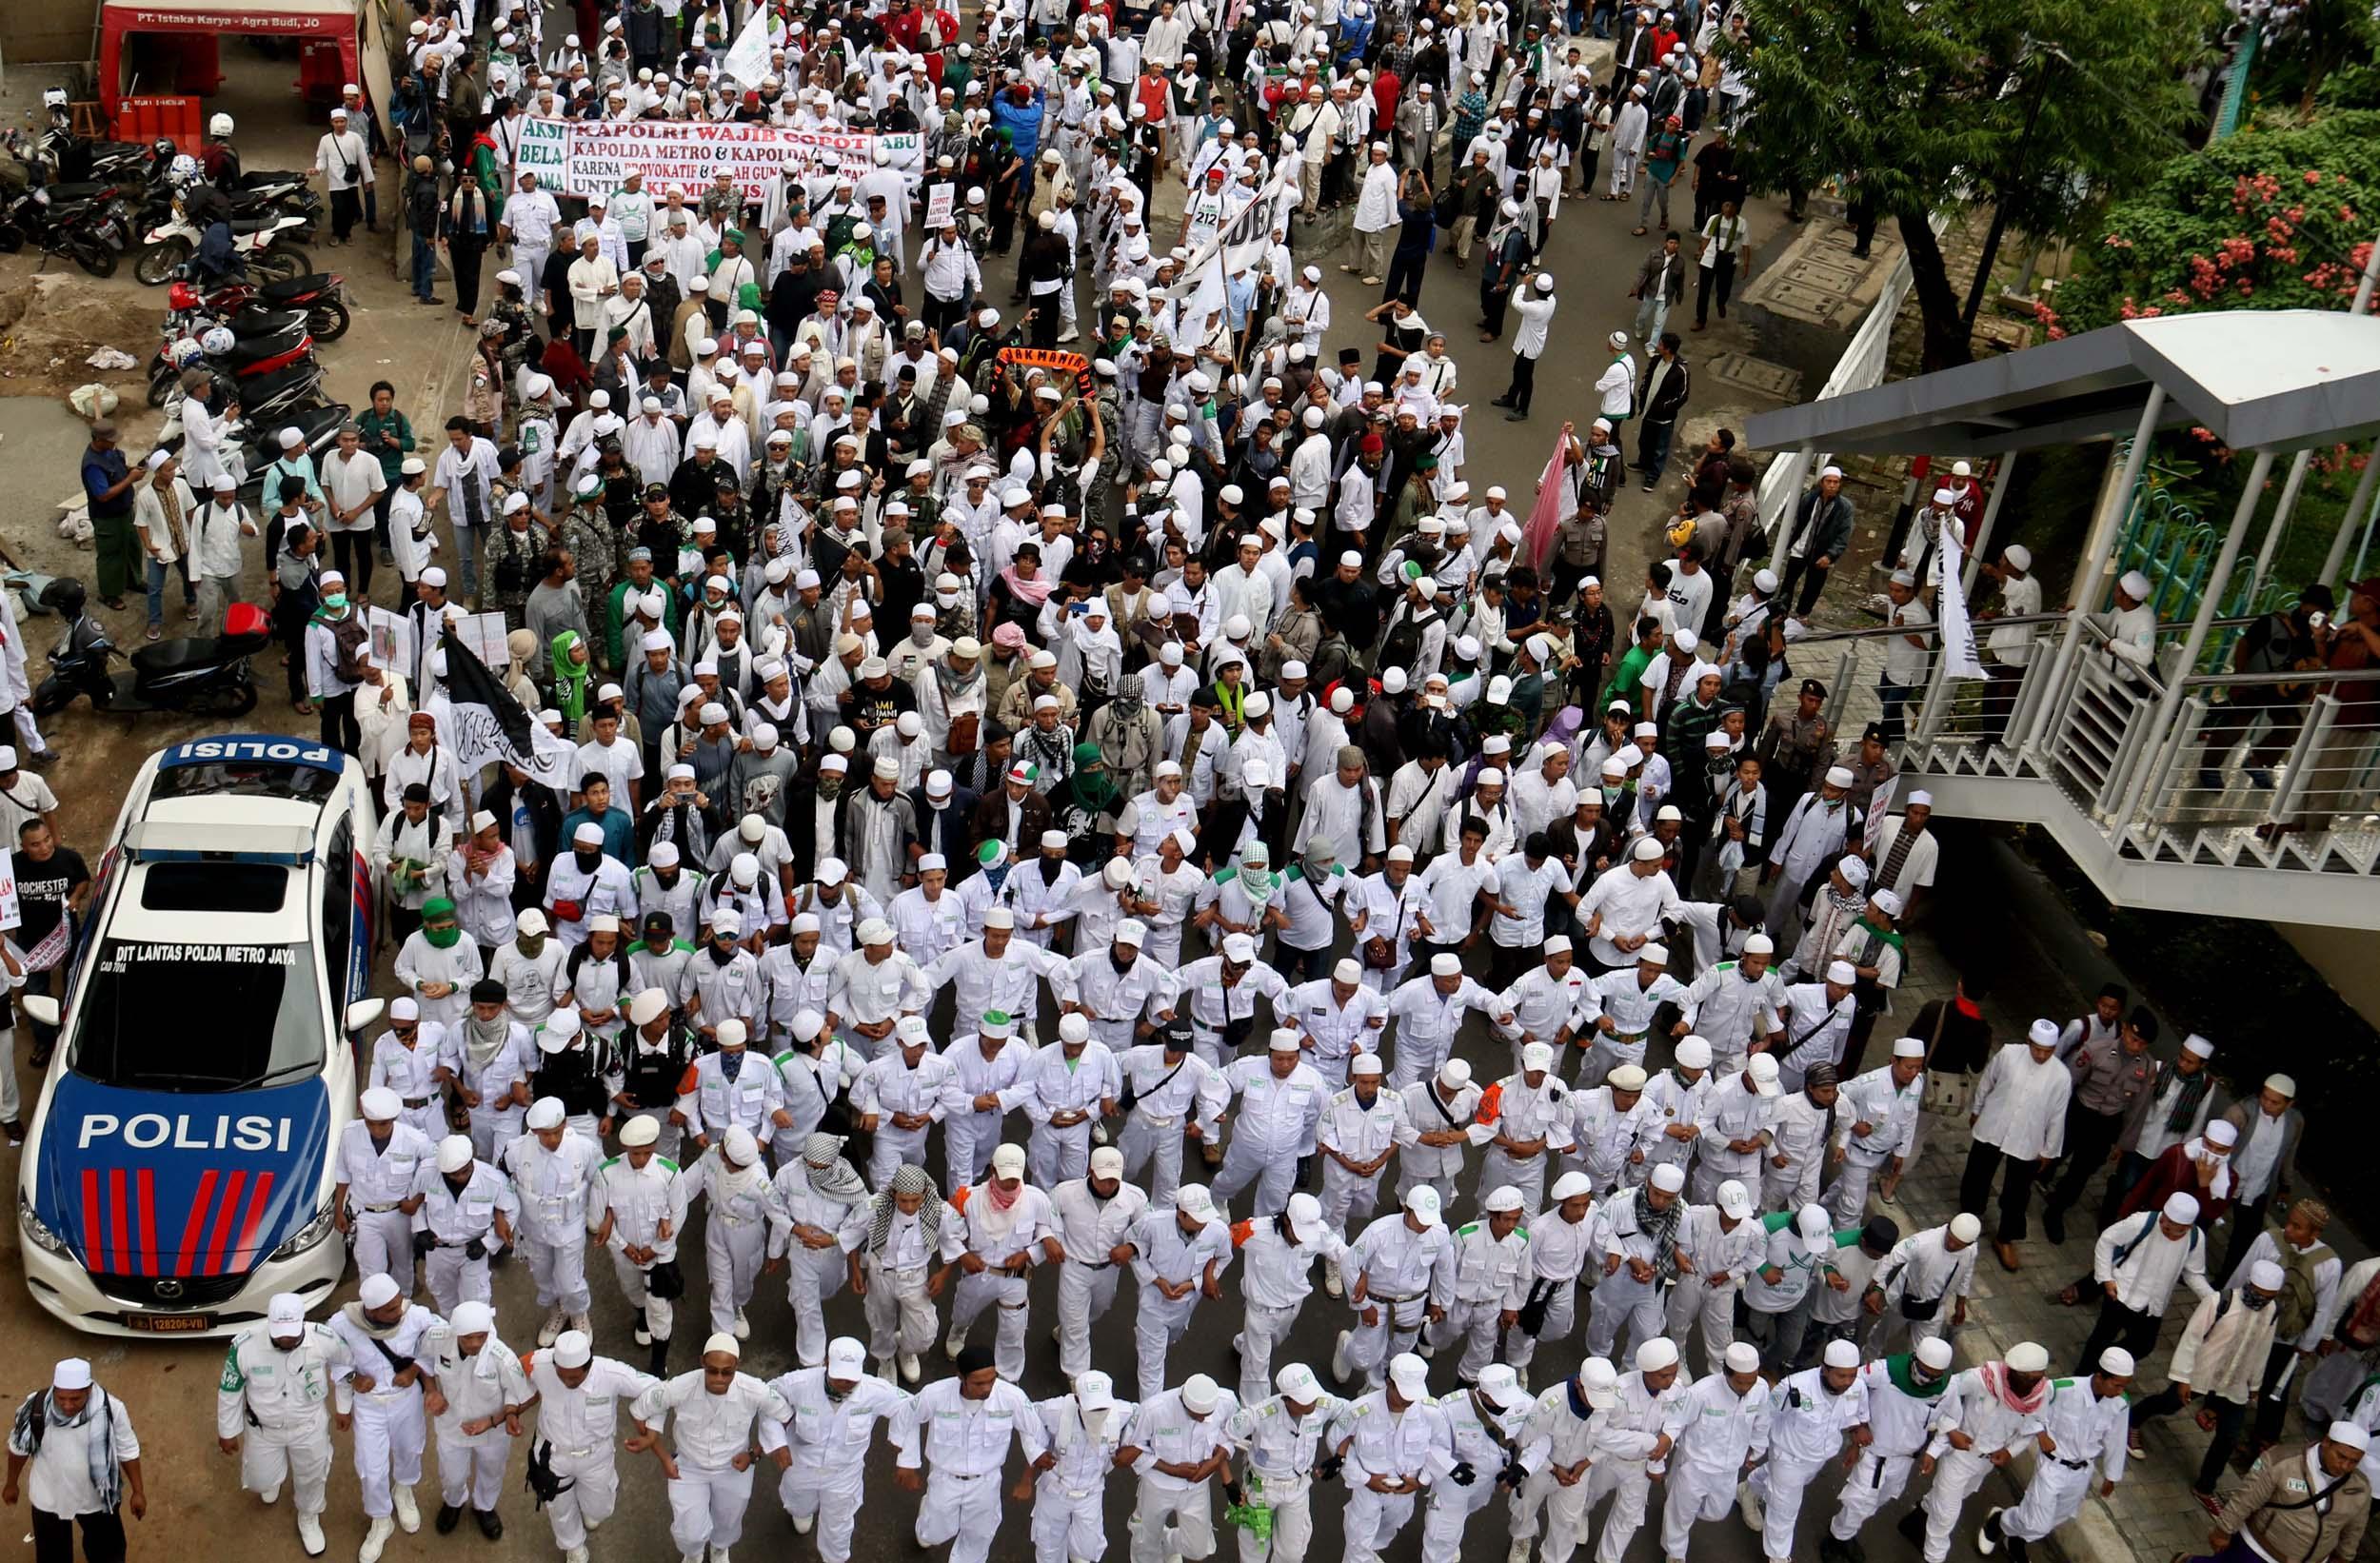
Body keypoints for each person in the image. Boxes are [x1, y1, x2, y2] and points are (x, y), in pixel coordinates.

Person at [625, 1333, 794, 1563]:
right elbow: (639, 1411)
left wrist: (754, 1454)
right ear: (702, 1362)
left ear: (737, 1366)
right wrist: (663, 1456)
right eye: (712, 1370)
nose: (719, 1378)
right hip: (688, 1467)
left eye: (727, 1372)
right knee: (689, 1531)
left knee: (729, 1520)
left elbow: (784, 1416)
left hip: (733, 1467)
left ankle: (719, 1549)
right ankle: (693, 1553)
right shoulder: (680, 1386)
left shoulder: (755, 1390)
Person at [889, 1344, 1049, 1563]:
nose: (987, 1388)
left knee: (980, 1536)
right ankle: (927, 1517)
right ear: (960, 1377)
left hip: (986, 1482)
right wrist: (907, 1462)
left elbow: (1034, 1433)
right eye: (979, 1383)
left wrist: (1027, 1479)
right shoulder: (935, 1394)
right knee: (934, 1534)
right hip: (945, 1479)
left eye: (991, 1380)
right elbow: (906, 1418)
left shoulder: (1012, 1397)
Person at [327, 1272, 444, 1563]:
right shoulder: (342, 1324)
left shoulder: (415, 1315)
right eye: (390, 1309)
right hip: (369, 1406)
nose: (399, 1311)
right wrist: (352, 1380)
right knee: (371, 1467)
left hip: (407, 1401)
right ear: (372, 1311)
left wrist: (415, 1370)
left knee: (410, 1450)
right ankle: (381, 1519)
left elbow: (441, 1339)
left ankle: (403, 1490)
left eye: (399, 1303)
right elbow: (332, 1356)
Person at [1978, 1347, 2134, 1563]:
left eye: (2124, 1386)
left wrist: (2111, 1476)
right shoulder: (2062, 1389)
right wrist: (2041, 1434)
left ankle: (2015, 1541)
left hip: (2082, 1470)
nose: (2120, 1391)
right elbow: (2032, 1410)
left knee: (2060, 1515)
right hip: (2052, 1466)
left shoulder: (2120, 1403)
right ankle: (1999, 1521)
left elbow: (2116, 1439)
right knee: (2037, 1523)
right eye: (2117, 1385)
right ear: (2100, 1377)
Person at [766, 1335, 910, 1563]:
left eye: (851, 1377)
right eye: (839, 1375)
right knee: (798, 1505)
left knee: (839, 1530)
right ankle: (802, 1511)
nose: (845, 1382)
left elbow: (913, 1407)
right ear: (826, 1363)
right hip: (801, 1465)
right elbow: (767, 1396)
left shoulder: (876, 1390)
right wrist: (776, 1442)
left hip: (844, 1474)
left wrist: (901, 1443)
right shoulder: (800, 1383)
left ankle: (834, 1559)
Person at [523, 1329, 660, 1563]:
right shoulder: (542, 1363)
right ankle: (574, 1547)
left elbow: (657, 1389)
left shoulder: (611, 1373)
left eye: (575, 1378)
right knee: (559, 1508)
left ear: (589, 1366)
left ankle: (588, 1507)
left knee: (600, 1509)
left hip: (596, 1456)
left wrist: (651, 1428)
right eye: (562, 1375)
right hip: (554, 1455)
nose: (568, 1382)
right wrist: (511, 1406)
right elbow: (516, 1367)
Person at [5, 1358, 143, 1563]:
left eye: (75, 1399)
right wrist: (11, 1484)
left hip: (97, 1498)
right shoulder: (36, 1407)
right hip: (49, 1496)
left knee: (107, 1554)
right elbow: (18, 1448)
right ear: (55, 1390)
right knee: (53, 1556)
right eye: (61, 1398)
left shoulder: (112, 1408)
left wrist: (138, 1492)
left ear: (89, 1390)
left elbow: (128, 1450)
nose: (67, 1405)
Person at [1959, 1019, 2072, 1271]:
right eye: (2037, 1049)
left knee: (2018, 1192)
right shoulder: (2009, 1054)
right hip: (1994, 1125)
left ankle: (2005, 1238)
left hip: (2028, 1138)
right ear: (2028, 1041)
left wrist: (2049, 1150)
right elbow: (1987, 1081)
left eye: (2047, 1051)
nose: (2041, 1055)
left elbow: (2057, 1115)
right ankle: (1968, 1219)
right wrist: (1977, 1109)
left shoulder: (2061, 1076)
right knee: (1977, 1174)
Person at [1743, 1337, 1868, 1563]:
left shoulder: (1857, 1387)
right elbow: (1767, 1416)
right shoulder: (1793, 1387)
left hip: (1819, 1457)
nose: (1847, 1382)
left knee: (1782, 1484)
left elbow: (1855, 1415)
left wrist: (1855, 1442)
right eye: (1841, 1376)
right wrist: (1756, 1448)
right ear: (1824, 1369)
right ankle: (1778, 1556)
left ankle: (1748, 1489)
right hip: (1788, 1456)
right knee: (1784, 1510)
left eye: (1852, 1375)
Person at [2182, 1422, 2371, 1563]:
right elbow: (2246, 1498)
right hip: (2258, 1550)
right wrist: (2223, 1530)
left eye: (2354, 1462)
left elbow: (2355, 1528)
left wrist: (2344, 1557)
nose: (2345, 1466)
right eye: (2341, 1456)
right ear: (2327, 1442)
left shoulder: (2361, 1487)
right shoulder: (2281, 1461)